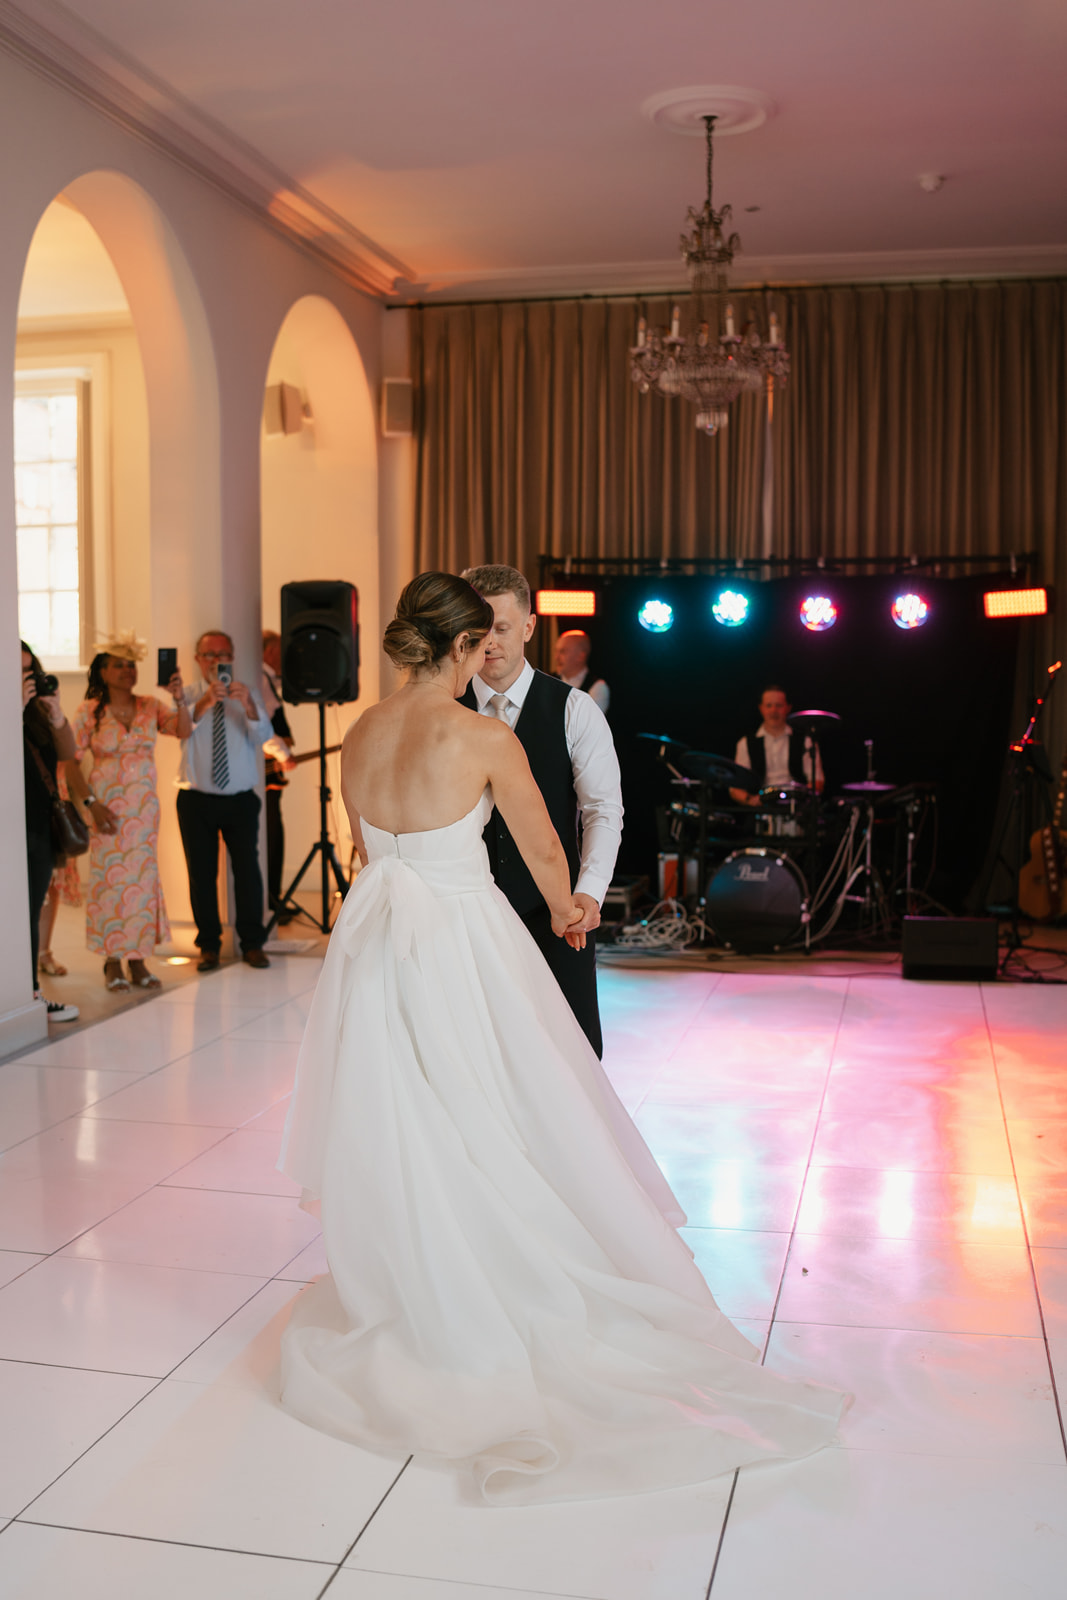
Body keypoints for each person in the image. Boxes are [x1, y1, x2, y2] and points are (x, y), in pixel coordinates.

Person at [277, 571, 847, 1507]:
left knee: (406, 1112)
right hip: (462, 939)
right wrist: (570, 908)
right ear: (463, 647)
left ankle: (417, 1285)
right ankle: (505, 1281)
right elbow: (543, 847)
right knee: (502, 1108)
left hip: (375, 943)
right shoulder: (482, 735)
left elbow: (363, 843)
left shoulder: (363, 732)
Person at [460, 564, 620, 1058]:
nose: (488, 644)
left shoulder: (575, 709)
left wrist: (587, 894)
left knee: (572, 1057)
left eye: (502, 629)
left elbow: (602, 811)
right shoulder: (445, 711)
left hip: (555, 914)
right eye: (477, 631)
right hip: (466, 915)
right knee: (478, 1055)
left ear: (529, 627)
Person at [69, 631, 191, 990]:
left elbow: (183, 731)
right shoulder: (89, 711)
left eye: (131, 665)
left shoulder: (151, 706)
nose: (127, 671)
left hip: (143, 812)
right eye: (118, 665)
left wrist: (180, 698)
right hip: (105, 812)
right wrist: (90, 804)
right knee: (111, 883)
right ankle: (112, 962)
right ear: (102, 672)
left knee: (141, 882)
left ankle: (138, 961)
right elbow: (71, 762)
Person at [176, 629, 272, 972]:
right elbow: (181, 729)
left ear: (232, 658)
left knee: (247, 871)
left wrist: (246, 705)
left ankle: (252, 943)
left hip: (240, 800)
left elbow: (265, 737)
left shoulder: (249, 694)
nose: (217, 662)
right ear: (199, 661)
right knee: (201, 874)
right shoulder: (187, 695)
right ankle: (208, 946)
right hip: (195, 798)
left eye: (223, 655)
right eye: (210, 656)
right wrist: (205, 703)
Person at [20, 641, 79, 1023]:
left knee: (30, 910)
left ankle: (31, 994)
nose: (25, 679)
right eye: (16, 671)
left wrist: (56, 714)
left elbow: (67, 752)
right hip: (11, 824)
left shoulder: (37, 712)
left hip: (39, 822)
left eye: (30, 671)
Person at [729, 683, 825, 806]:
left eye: (778, 705)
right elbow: (735, 788)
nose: (773, 710)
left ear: (788, 708)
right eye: (769, 705)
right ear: (761, 708)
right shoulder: (746, 743)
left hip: (796, 809)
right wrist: (751, 800)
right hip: (762, 809)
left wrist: (801, 797)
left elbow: (817, 781)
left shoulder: (805, 741)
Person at [261, 629, 297, 920]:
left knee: (275, 833)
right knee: (271, 836)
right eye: (277, 649)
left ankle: (274, 896)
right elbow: (262, 725)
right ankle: (271, 899)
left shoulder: (270, 680)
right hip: (265, 770)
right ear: (266, 652)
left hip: (271, 770)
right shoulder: (259, 680)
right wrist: (281, 753)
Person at [553, 628, 610, 714]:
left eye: (563, 651)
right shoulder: (548, 682)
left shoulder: (597, 687)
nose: (556, 657)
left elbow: (587, 722)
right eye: (556, 651)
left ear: (581, 656)